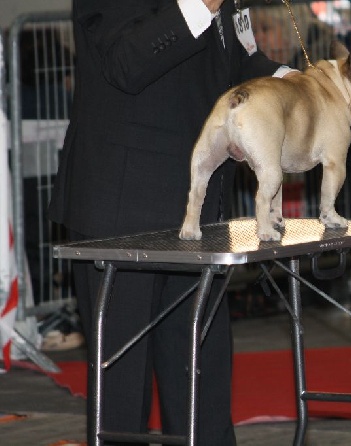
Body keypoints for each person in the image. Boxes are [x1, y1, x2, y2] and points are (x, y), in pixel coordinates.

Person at [48, 0, 297, 444]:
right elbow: (126, 62)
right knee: (122, 397)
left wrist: (291, 84)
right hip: (123, 210)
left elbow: (238, 58)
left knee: (202, 380)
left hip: (198, 211)